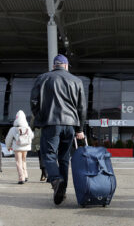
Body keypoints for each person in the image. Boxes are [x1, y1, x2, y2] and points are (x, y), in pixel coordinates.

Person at [30, 54, 86, 205]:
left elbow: (34, 102)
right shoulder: (77, 81)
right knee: (64, 158)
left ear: (54, 65)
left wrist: (40, 118)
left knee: (48, 154)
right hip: (70, 124)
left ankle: (56, 180)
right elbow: (82, 107)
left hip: (51, 123)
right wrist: (80, 129)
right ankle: (62, 191)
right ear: (66, 66)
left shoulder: (43, 78)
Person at [5, 110, 34, 184]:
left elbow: (8, 139)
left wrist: (8, 147)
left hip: (17, 148)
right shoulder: (28, 128)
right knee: (24, 160)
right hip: (26, 147)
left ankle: (21, 178)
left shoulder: (13, 129)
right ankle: (26, 175)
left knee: (18, 162)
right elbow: (32, 136)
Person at [30, 116, 47, 182]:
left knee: (41, 157)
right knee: (49, 155)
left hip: (38, 136)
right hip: (47, 135)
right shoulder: (50, 109)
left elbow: (31, 126)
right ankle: (47, 174)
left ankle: (44, 173)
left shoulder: (35, 113)